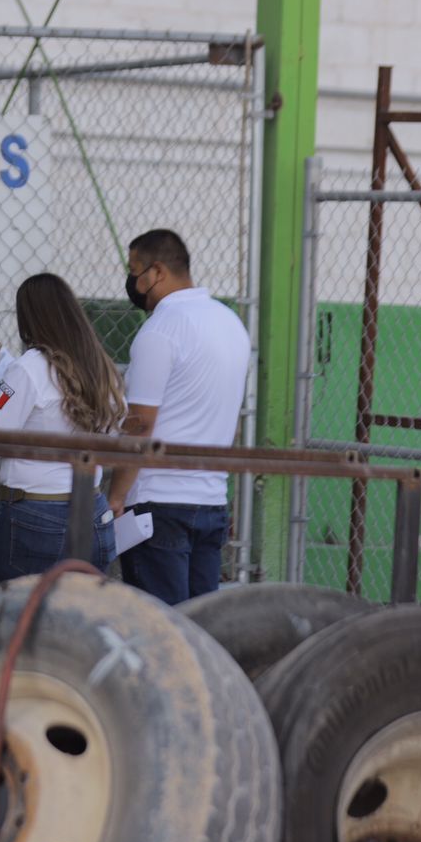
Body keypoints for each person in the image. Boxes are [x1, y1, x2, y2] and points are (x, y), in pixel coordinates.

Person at [107, 228, 251, 605]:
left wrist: (116, 497)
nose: (132, 281)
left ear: (157, 272)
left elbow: (141, 425)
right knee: (197, 625)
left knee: (158, 625)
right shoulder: (231, 323)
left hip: (158, 505)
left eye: (134, 271)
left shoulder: (160, 329)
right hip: (212, 500)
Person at [0, 273, 125, 587]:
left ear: (29, 317)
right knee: (81, 610)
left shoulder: (28, 368)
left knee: (10, 609)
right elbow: (114, 435)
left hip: (36, 514)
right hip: (93, 511)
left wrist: (3, 387)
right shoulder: (101, 365)